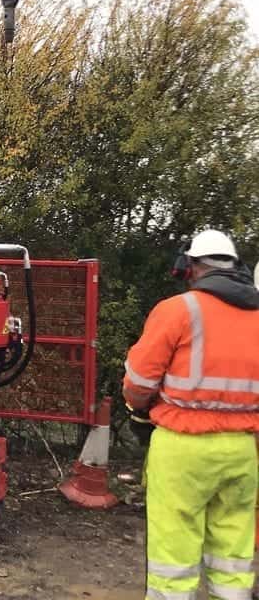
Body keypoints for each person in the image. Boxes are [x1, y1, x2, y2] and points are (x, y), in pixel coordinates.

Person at [123, 229, 259, 600]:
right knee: (233, 556)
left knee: (174, 557)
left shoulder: (178, 311)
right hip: (244, 451)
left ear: (193, 267)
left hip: (182, 448)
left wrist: (139, 410)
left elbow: (137, 382)